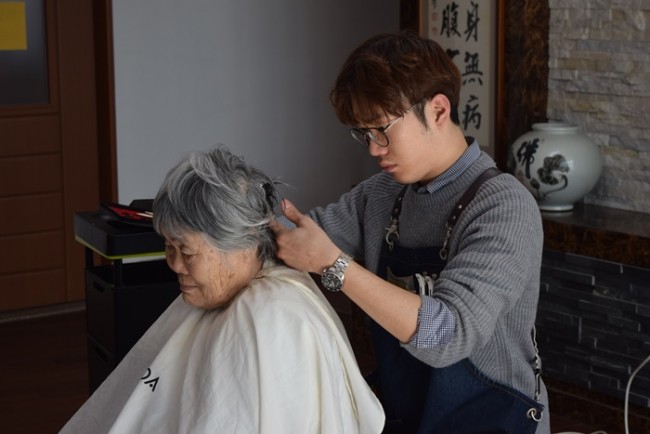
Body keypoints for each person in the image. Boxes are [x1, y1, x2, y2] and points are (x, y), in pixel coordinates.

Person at [271, 31, 550, 433]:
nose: (373, 148)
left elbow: (448, 333)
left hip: (493, 419)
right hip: (410, 414)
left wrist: (335, 266)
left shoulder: (504, 207)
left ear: (438, 110)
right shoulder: (381, 194)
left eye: (381, 129)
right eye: (364, 133)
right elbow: (292, 238)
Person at [61, 147, 385, 434]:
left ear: (243, 247)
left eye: (187, 252)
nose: (174, 265)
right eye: (168, 247)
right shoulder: (226, 289)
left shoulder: (269, 316)